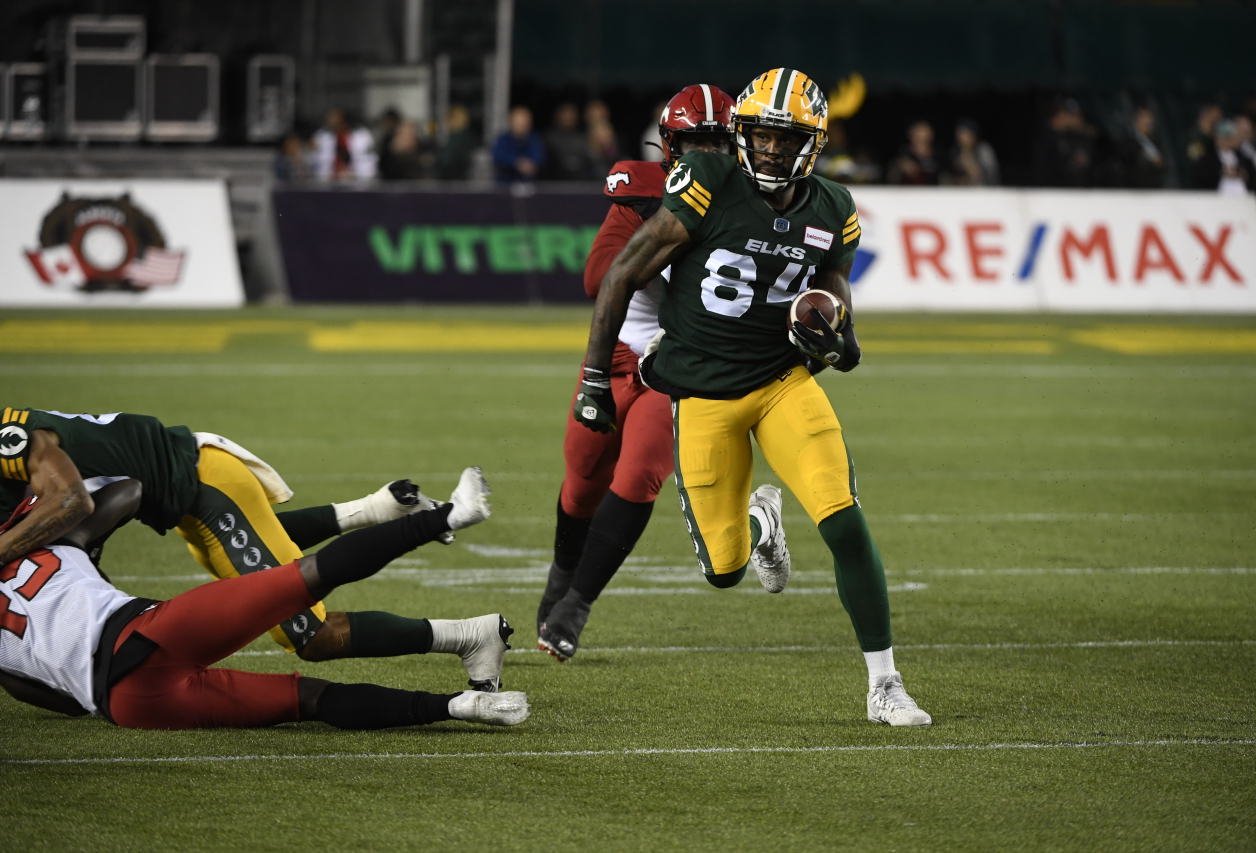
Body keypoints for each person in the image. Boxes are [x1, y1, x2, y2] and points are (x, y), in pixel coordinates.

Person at [570, 68, 931, 726]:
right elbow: (622, 272)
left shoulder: (833, 208)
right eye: (760, 135)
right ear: (742, 134)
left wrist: (838, 329)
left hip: (781, 381)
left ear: (813, 143)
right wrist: (596, 378)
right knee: (725, 567)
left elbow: (833, 284)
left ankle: (886, 684)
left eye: (784, 137)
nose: (768, 149)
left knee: (843, 516)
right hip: (703, 392)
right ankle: (762, 522)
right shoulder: (707, 182)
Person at [0, 407, 511, 690]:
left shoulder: (8, 432)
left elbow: (71, 501)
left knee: (308, 634)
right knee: (263, 577)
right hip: (189, 499)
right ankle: (380, 508)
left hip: (203, 483)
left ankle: (469, 629)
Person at [0, 479, 529, 729]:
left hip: (127, 704)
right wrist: (67, 540)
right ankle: (445, 518)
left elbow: (49, 697)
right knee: (306, 578)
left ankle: (460, 707)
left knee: (313, 701)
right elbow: (126, 490)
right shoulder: (42, 542)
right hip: (147, 633)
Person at [536, 83, 735, 661]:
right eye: (693, 144)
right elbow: (599, 277)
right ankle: (561, 573)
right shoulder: (645, 194)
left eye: (716, 143)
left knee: (641, 473)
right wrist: (667, 241)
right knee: (582, 481)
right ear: (670, 147)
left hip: (676, 366)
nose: (705, 156)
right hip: (617, 355)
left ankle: (577, 603)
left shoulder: (748, 204)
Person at [310, 107, 378, 182]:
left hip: (357, 181)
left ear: (342, 119)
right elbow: (313, 160)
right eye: (329, 117)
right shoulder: (321, 136)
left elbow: (370, 161)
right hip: (326, 181)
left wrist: (353, 174)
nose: (329, 120)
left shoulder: (362, 135)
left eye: (333, 117)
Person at [492, 105, 545, 184]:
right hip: (505, 185)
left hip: (529, 185)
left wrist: (530, 164)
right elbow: (498, 156)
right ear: (511, 122)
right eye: (518, 122)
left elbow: (540, 157)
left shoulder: (534, 139)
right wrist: (516, 162)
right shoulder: (502, 139)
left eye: (525, 122)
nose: (522, 125)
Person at [942, 119, 1000, 186]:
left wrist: (971, 165)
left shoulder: (983, 150)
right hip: (960, 191)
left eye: (966, 134)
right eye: (960, 134)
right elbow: (948, 175)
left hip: (983, 190)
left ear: (974, 135)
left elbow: (992, 175)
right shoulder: (955, 151)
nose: (962, 138)